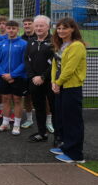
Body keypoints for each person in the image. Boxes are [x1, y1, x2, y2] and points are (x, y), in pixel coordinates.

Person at [50, 18, 87, 163]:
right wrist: (54, 82)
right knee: (62, 118)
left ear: (72, 29)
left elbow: (69, 69)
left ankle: (76, 154)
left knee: (73, 121)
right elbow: (55, 64)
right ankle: (66, 146)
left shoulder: (76, 46)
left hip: (71, 88)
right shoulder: (61, 45)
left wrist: (58, 83)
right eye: (58, 28)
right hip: (60, 87)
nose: (60, 31)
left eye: (64, 28)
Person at [0, 20, 28, 136]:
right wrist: (4, 74)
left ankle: (17, 125)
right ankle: (5, 123)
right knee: (5, 100)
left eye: (14, 28)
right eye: (9, 28)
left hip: (18, 77)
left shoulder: (23, 44)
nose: (11, 30)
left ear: (18, 29)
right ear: (6, 29)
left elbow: (24, 63)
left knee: (17, 100)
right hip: (3, 77)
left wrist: (12, 75)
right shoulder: (0, 44)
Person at [25, 15, 54, 142]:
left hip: (50, 82)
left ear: (48, 26)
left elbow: (55, 63)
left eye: (41, 25)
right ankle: (42, 133)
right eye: (36, 25)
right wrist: (33, 77)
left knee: (55, 109)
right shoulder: (30, 41)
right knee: (39, 108)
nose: (38, 28)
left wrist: (43, 77)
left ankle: (59, 137)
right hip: (34, 82)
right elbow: (27, 61)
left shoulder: (55, 41)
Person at [21, 17, 35, 129]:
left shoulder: (41, 37)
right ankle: (29, 119)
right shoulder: (21, 39)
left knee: (44, 98)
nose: (27, 26)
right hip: (26, 73)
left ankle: (48, 121)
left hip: (39, 74)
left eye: (29, 23)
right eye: (25, 24)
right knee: (27, 97)